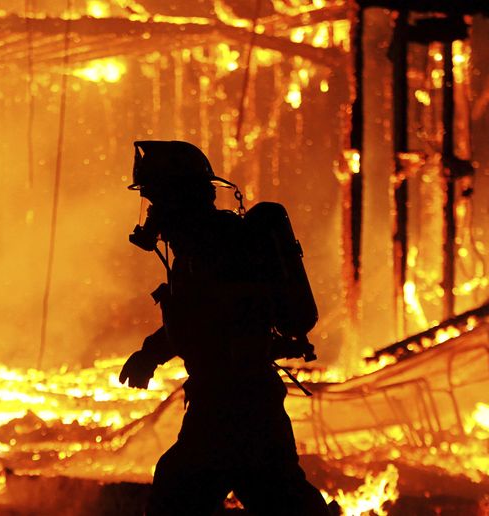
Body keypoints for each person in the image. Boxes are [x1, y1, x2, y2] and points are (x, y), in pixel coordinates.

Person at [118, 141, 333, 515]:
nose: (151, 213)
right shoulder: (203, 249)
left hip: (232, 405)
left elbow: (205, 323)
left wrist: (152, 354)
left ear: (179, 198)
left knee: (177, 496)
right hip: (241, 402)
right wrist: (150, 354)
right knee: (282, 499)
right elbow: (194, 320)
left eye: (156, 200)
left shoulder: (218, 249)